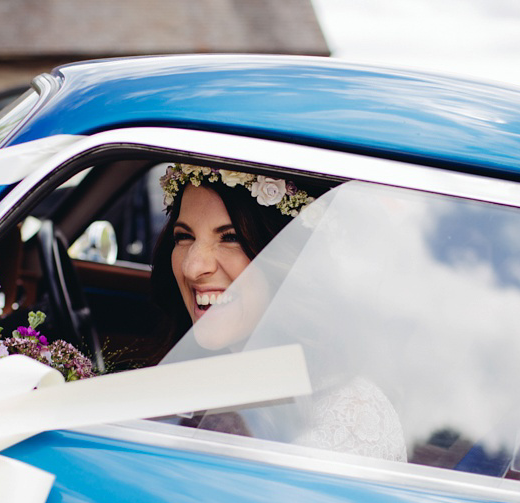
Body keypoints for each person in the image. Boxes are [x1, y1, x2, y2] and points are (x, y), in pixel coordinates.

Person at [150, 163, 407, 462]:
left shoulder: (347, 415)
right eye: (184, 237)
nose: (192, 267)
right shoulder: (192, 368)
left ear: (289, 260)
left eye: (230, 237)